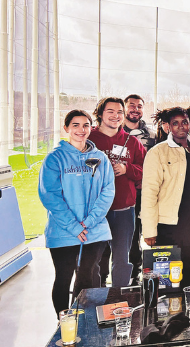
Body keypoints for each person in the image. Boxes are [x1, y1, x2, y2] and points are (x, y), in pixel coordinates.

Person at [39, 110, 114, 315]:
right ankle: (64, 324)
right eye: (75, 125)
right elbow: (50, 195)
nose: (81, 130)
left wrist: (89, 222)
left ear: (91, 128)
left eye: (86, 125)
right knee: (64, 277)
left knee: (87, 277)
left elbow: (108, 190)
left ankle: (83, 322)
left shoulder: (100, 158)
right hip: (63, 231)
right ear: (66, 128)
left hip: (94, 230)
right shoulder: (55, 158)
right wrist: (73, 226)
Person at [142, 105, 190, 288]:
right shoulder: (157, 152)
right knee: (170, 281)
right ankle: (173, 316)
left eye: (185, 122)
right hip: (169, 226)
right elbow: (149, 193)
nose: (181, 127)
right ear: (167, 127)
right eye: (175, 123)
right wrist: (149, 230)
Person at [90, 97, 146, 288]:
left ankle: (118, 298)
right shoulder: (89, 139)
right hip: (96, 210)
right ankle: (95, 297)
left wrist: (127, 169)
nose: (116, 116)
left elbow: (146, 169)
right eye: (110, 111)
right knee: (93, 260)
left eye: (119, 112)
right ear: (100, 114)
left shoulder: (132, 142)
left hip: (124, 209)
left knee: (122, 258)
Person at [123, 94, 157, 284]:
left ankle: (152, 276)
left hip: (148, 193)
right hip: (125, 194)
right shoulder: (116, 132)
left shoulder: (152, 135)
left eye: (139, 106)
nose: (135, 109)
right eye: (131, 105)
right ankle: (131, 275)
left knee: (151, 233)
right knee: (130, 236)